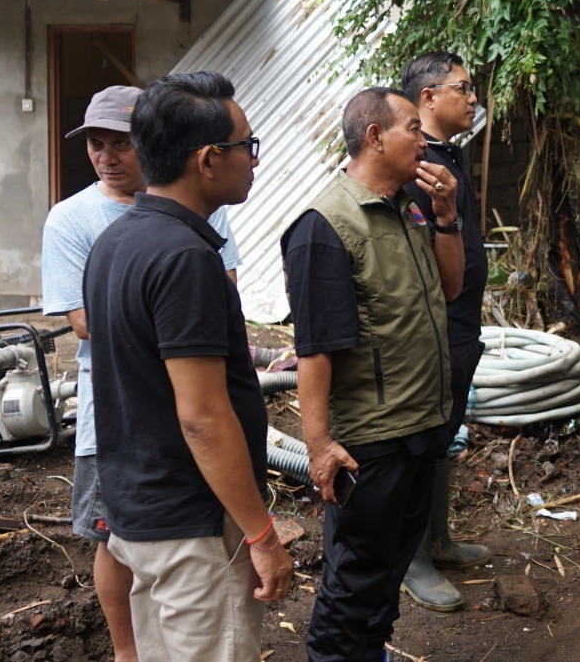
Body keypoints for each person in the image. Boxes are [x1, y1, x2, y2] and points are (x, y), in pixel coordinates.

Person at [82, 72, 292, 662]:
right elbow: (202, 415)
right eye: (247, 146)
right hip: (192, 527)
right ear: (207, 159)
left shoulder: (115, 243)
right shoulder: (185, 259)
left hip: (138, 512)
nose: (254, 160)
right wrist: (261, 534)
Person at [41, 85, 246, 662]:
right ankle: (126, 651)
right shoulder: (74, 219)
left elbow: (225, 293)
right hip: (118, 408)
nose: (106, 156)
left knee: (179, 537)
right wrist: (174, 318)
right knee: (114, 537)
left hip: (189, 403)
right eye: (96, 144)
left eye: (120, 143)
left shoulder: (201, 207)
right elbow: (83, 321)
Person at [282, 88, 460, 662]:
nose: (424, 140)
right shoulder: (326, 226)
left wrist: (447, 218)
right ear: (374, 136)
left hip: (420, 424)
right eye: (413, 127)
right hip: (371, 443)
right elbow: (315, 349)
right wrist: (319, 446)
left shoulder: (409, 208)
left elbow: (451, 288)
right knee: (354, 585)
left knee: (385, 578)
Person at [397, 52, 494, 611]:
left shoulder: (447, 157)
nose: (474, 98)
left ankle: (438, 538)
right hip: (434, 328)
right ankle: (413, 558)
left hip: (461, 324)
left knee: (444, 432)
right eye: (464, 87)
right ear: (428, 96)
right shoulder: (417, 165)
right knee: (424, 435)